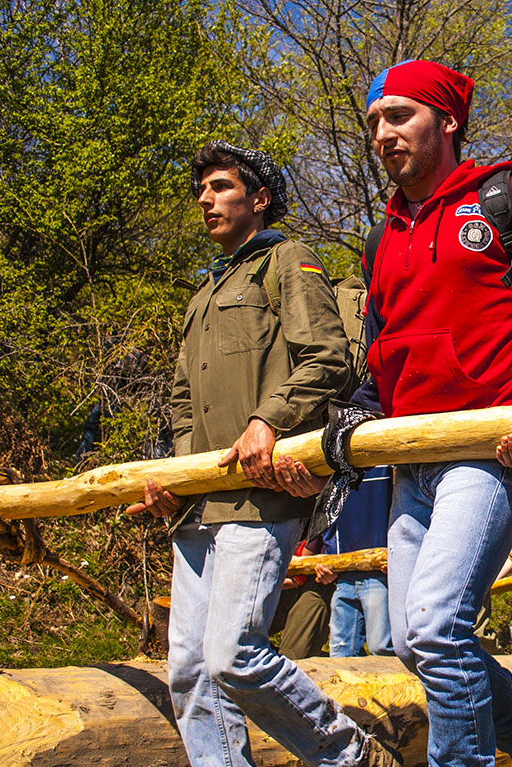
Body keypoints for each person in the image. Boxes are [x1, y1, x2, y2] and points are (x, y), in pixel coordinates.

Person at [356, 59, 512, 767]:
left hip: (490, 454)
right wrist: (360, 413)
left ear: (448, 121)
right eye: (375, 121)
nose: (383, 133)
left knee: (435, 628)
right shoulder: (383, 237)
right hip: (409, 462)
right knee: (411, 640)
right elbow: (381, 355)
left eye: (399, 116)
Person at [131, 141, 397, 767]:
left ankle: (348, 756)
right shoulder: (203, 294)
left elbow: (328, 359)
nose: (205, 199)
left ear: (259, 198)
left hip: (260, 494)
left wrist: (266, 420)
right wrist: (174, 473)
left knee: (234, 654)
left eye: (221, 187)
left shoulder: (286, 262)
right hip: (196, 508)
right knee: (191, 674)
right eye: (201, 190)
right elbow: (178, 400)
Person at [323, 465, 394, 657]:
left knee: (381, 648)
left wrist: (399, 556)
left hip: (382, 574)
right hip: (344, 573)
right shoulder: (335, 467)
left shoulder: (391, 466)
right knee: (340, 651)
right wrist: (329, 556)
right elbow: (327, 516)